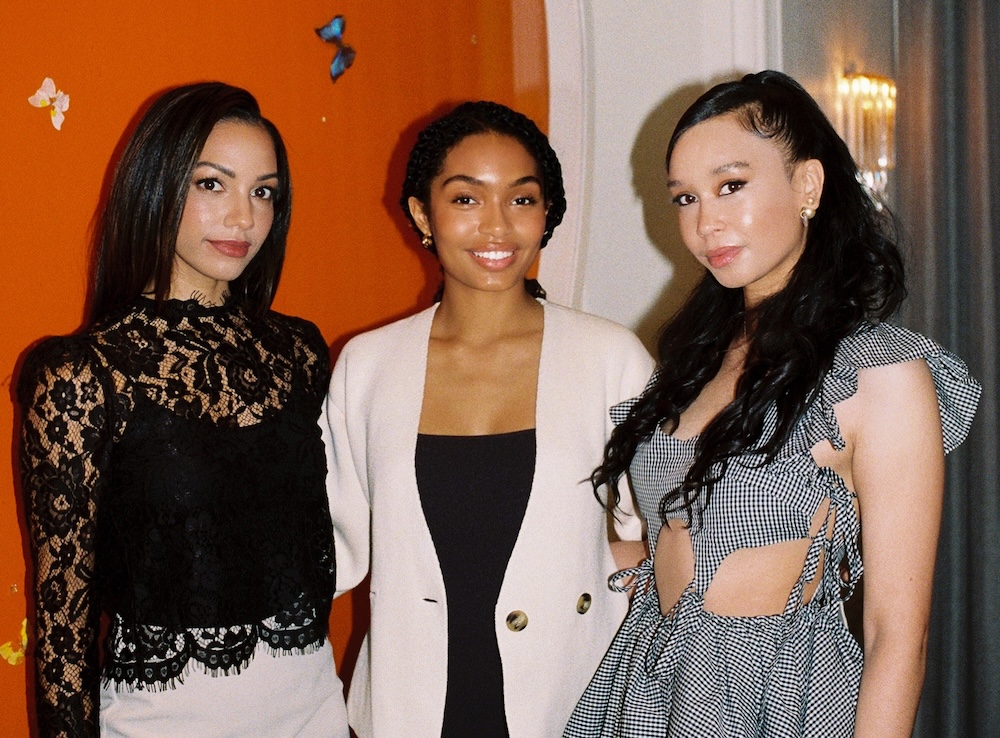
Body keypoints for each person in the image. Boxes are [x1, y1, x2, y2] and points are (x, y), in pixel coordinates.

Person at [564, 70, 981, 737]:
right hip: (644, 696)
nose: (705, 223)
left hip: (778, 704)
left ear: (807, 185)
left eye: (732, 186)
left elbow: (896, 636)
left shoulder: (880, 372)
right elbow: (672, 546)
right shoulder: (691, 362)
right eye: (684, 198)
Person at [18, 83, 347, 737]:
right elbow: (63, 622)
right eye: (211, 184)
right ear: (157, 186)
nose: (244, 218)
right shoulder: (82, 374)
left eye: (264, 191)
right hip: (162, 721)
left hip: (314, 708)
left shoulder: (300, 351)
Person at [322, 101, 655, 737]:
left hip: (575, 697)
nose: (497, 227)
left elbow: (664, 527)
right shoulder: (367, 366)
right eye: (467, 199)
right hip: (407, 705)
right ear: (423, 213)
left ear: (547, 212)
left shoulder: (613, 359)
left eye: (522, 200)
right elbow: (329, 546)